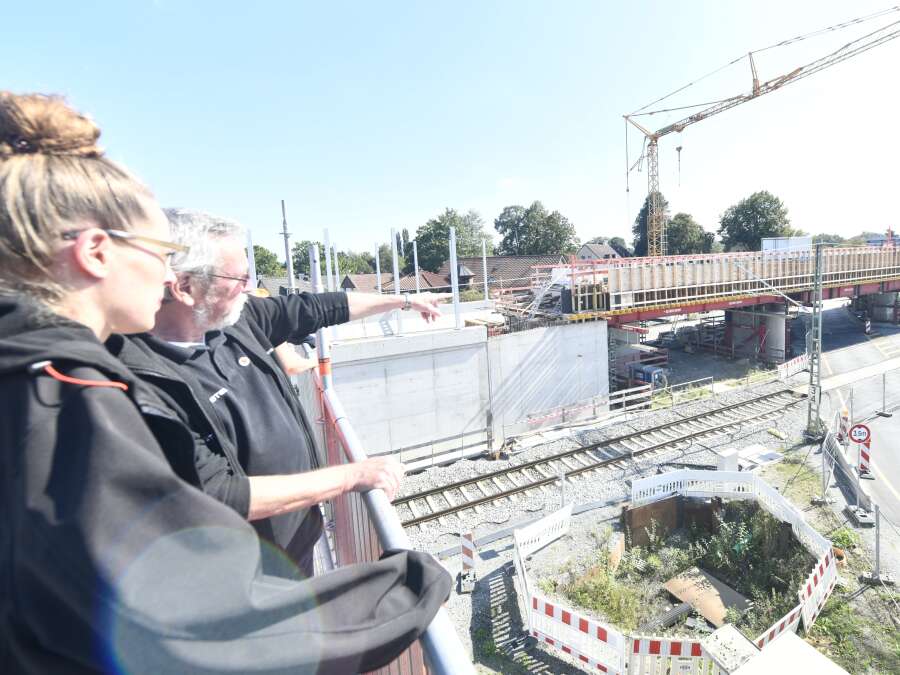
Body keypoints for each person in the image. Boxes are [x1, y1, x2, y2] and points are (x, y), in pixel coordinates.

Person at [0, 92, 451, 673]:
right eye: (159, 251)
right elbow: (204, 628)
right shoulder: (70, 400)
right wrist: (413, 583)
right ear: (95, 252)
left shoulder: (39, 376)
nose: (163, 272)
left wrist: (400, 300)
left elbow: (320, 306)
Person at [109, 209, 451, 577]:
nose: (249, 285)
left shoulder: (235, 320)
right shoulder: (141, 380)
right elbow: (223, 494)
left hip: (293, 551)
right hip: (247, 579)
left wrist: (402, 302)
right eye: (239, 276)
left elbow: (319, 308)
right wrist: (352, 476)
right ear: (184, 287)